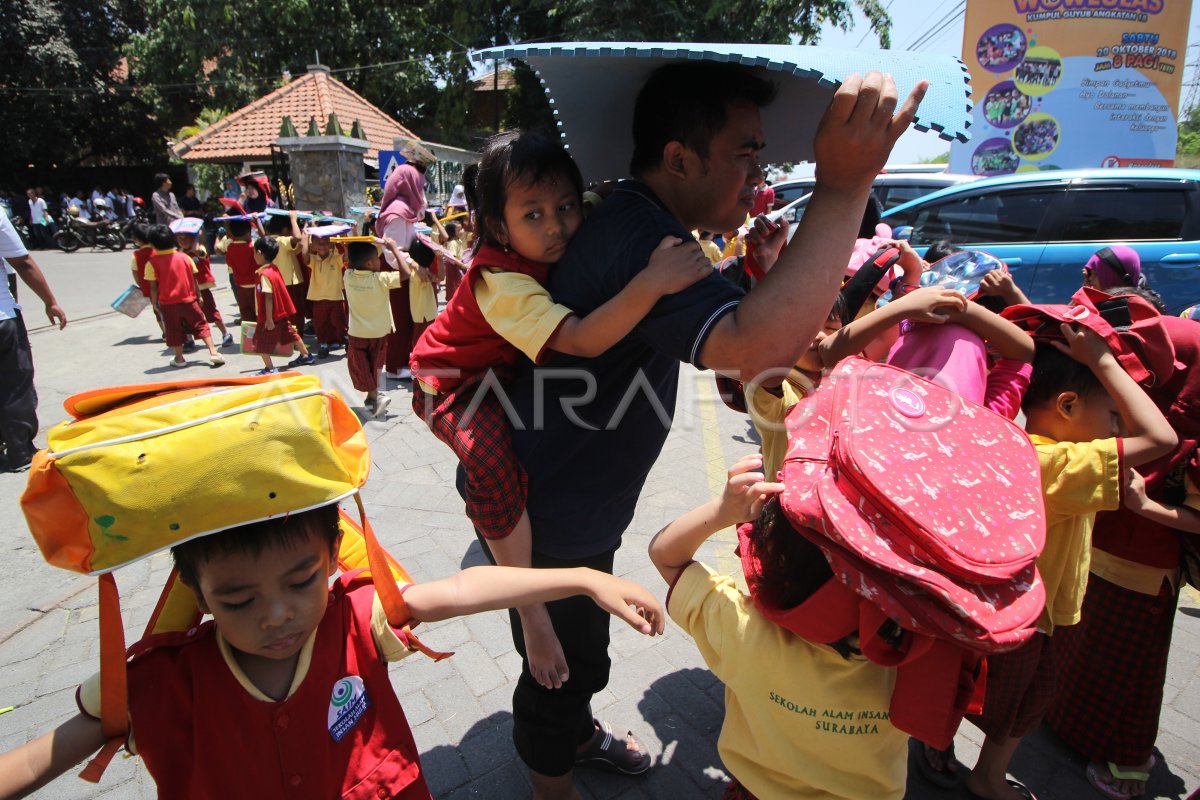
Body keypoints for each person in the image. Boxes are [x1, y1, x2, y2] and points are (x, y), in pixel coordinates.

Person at [473, 63, 926, 800]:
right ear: (680, 158)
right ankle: (550, 777)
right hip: (553, 509)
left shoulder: (645, 224)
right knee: (557, 663)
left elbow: (745, 345)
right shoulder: (637, 237)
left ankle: (575, 731)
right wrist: (845, 185)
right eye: (747, 152)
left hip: (579, 500)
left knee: (581, 647)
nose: (760, 172)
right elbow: (759, 345)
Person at [0, 420, 666, 799]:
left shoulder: (352, 617)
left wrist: (581, 578)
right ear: (195, 595)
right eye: (237, 598)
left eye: (302, 580)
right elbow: (44, 756)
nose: (277, 614)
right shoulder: (158, 681)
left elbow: (453, 593)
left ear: (331, 557)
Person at [410, 129, 710, 609]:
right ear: (499, 228)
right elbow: (582, 339)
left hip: (500, 375)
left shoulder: (569, 220)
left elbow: (602, 195)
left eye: (565, 207)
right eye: (533, 214)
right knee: (490, 467)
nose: (556, 226)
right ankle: (526, 603)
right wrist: (655, 280)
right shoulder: (502, 284)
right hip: (451, 386)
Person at [948, 326, 1175, 800]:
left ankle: (962, 763)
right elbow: (1160, 436)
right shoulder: (1060, 465)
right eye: (1112, 415)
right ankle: (985, 778)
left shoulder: (1024, 445)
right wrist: (1102, 361)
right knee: (1018, 706)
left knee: (1010, 701)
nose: (1119, 428)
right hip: (1036, 616)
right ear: (1068, 406)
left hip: (1023, 607)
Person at [649, 453, 910, 799]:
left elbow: (664, 554)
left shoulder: (744, 631)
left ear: (778, 561)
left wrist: (723, 511)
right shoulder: (921, 646)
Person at [1044, 311, 1200, 800]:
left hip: (1144, 569)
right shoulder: (1147, 400)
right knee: (1087, 663)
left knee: (1129, 678)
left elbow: (1164, 446)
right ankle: (1072, 734)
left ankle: (1128, 767)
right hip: (1104, 553)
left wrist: (1147, 506)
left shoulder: (1182, 416)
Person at [0, 211, 66, 472]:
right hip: (2, 318)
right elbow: (22, 261)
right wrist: (50, 301)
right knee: (15, 384)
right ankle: (21, 452)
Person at [343, 238, 413, 416]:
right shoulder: (382, 279)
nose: (380, 260)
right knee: (375, 366)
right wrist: (394, 249)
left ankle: (372, 398)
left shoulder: (347, 276)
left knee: (362, 366)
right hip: (379, 333)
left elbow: (349, 262)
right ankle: (374, 397)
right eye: (377, 258)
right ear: (368, 263)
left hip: (357, 333)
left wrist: (348, 247)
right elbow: (406, 273)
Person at [143, 225, 224, 369]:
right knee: (201, 325)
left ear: (152, 244)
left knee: (174, 330)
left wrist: (154, 303)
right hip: (189, 300)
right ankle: (213, 352)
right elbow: (194, 280)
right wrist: (199, 296)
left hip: (168, 304)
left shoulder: (152, 263)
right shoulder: (185, 258)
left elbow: (153, 286)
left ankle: (179, 358)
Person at [376, 163, 428, 381]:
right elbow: (392, 250)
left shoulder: (405, 208)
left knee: (407, 316)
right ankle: (396, 367)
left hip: (405, 265)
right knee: (400, 318)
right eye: (418, 183)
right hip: (399, 268)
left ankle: (402, 361)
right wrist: (413, 265)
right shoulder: (398, 213)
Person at [250, 236, 315, 374]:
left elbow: (268, 297)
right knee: (291, 333)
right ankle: (306, 355)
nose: (253, 255)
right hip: (280, 313)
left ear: (260, 253)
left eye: (254, 252)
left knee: (259, 342)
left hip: (269, 316)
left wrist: (268, 319)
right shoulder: (274, 269)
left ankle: (270, 368)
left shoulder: (264, 274)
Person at [171, 218, 232, 348]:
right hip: (187, 290)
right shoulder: (179, 253)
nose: (182, 241)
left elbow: (201, 253)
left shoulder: (200, 249)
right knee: (186, 316)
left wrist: (196, 241)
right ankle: (188, 339)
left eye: (186, 239)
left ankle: (226, 333)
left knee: (211, 312)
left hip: (202, 287)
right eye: (180, 239)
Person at [301, 226, 349, 359]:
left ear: (332, 243)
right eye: (318, 243)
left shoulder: (336, 258)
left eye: (326, 242)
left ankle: (345, 340)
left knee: (339, 321)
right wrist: (304, 238)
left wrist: (345, 243)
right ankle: (323, 344)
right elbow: (304, 255)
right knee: (320, 322)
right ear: (313, 245)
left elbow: (346, 258)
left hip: (336, 297)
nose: (322, 246)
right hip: (318, 297)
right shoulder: (313, 260)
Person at [263, 211, 308, 335]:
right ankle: (296, 337)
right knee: (296, 312)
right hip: (291, 282)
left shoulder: (266, 241)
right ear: (284, 230)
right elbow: (298, 238)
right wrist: (293, 219)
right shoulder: (282, 241)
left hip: (277, 283)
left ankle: (286, 335)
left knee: (282, 312)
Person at [215, 218, 260, 323]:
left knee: (246, 315)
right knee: (259, 314)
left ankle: (249, 338)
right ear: (248, 233)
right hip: (255, 286)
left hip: (240, 287)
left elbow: (230, 264)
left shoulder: (230, 248)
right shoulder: (253, 247)